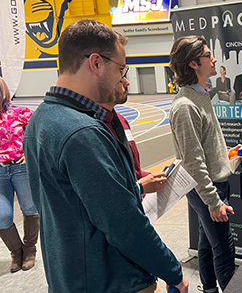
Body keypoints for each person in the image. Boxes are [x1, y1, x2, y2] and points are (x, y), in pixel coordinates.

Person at [22, 19, 188, 293]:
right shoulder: (82, 133)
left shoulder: (41, 119)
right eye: (121, 68)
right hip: (110, 280)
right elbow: (123, 223)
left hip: (70, 277)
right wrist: (172, 271)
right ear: (96, 63)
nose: (123, 77)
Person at [169, 35, 236, 293]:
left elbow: (206, 146)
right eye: (209, 55)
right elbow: (193, 161)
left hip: (212, 185)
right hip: (208, 189)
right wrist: (214, 201)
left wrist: (228, 157)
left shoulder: (200, 97)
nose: (214, 59)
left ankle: (208, 289)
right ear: (194, 63)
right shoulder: (185, 106)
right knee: (223, 250)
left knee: (207, 245)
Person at [97, 69, 168, 196]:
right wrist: (139, 188)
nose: (128, 82)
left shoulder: (121, 121)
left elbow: (133, 170)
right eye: (121, 76)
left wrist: (152, 177)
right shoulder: (92, 130)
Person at [0, 77, 40, 273]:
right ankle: (16, 252)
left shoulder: (20, 113)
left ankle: (30, 250)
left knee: (31, 209)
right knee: (2, 215)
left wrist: (29, 153)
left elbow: (40, 133)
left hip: (21, 168)